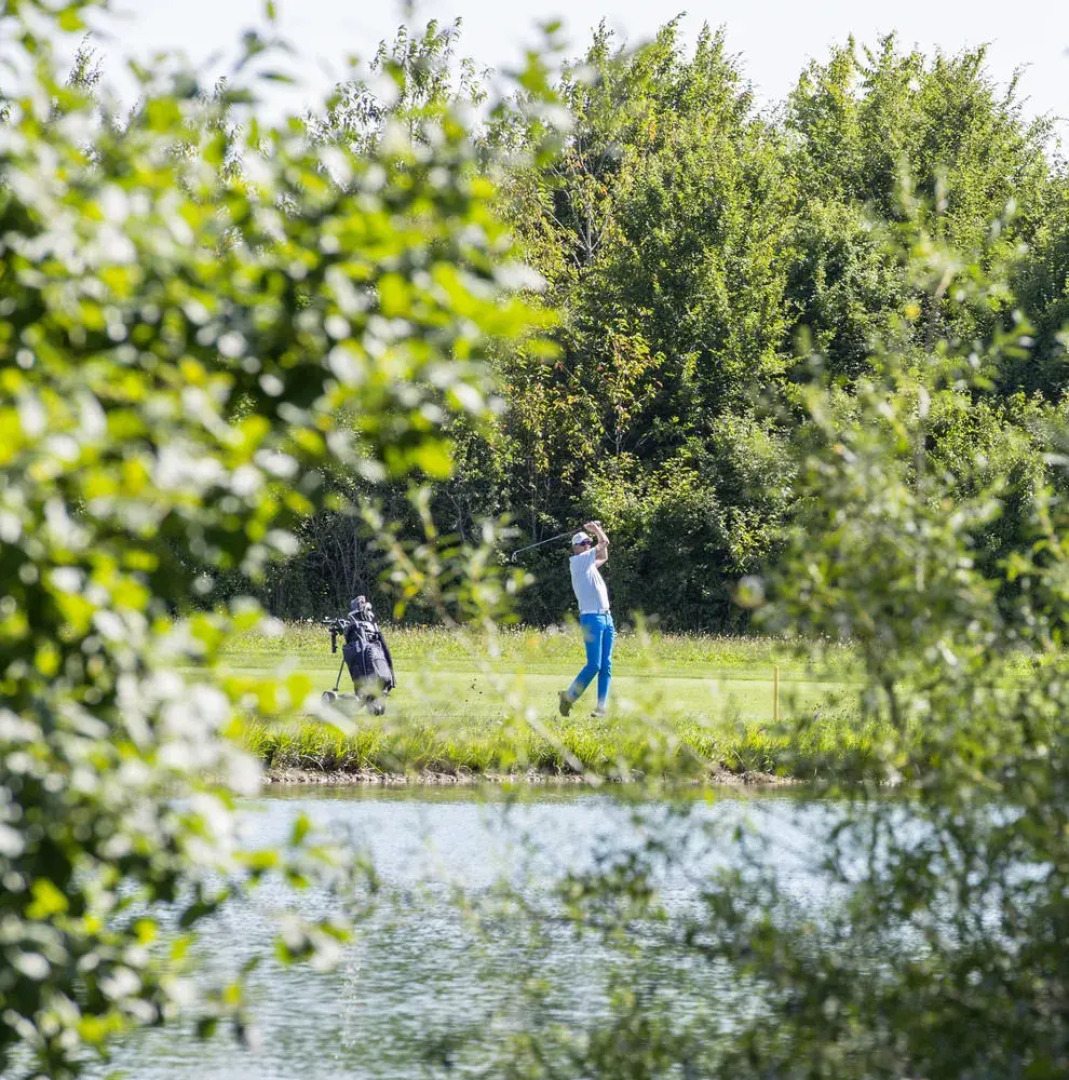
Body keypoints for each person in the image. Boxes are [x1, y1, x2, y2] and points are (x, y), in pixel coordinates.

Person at [558, 520, 614, 718]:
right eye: (583, 543)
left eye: (589, 543)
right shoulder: (578, 562)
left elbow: (604, 555)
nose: (587, 545)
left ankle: (601, 707)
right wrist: (596, 529)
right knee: (594, 665)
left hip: (606, 617)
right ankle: (568, 697)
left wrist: (596, 531)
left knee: (606, 665)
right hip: (592, 618)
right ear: (576, 547)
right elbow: (604, 542)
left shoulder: (589, 565)